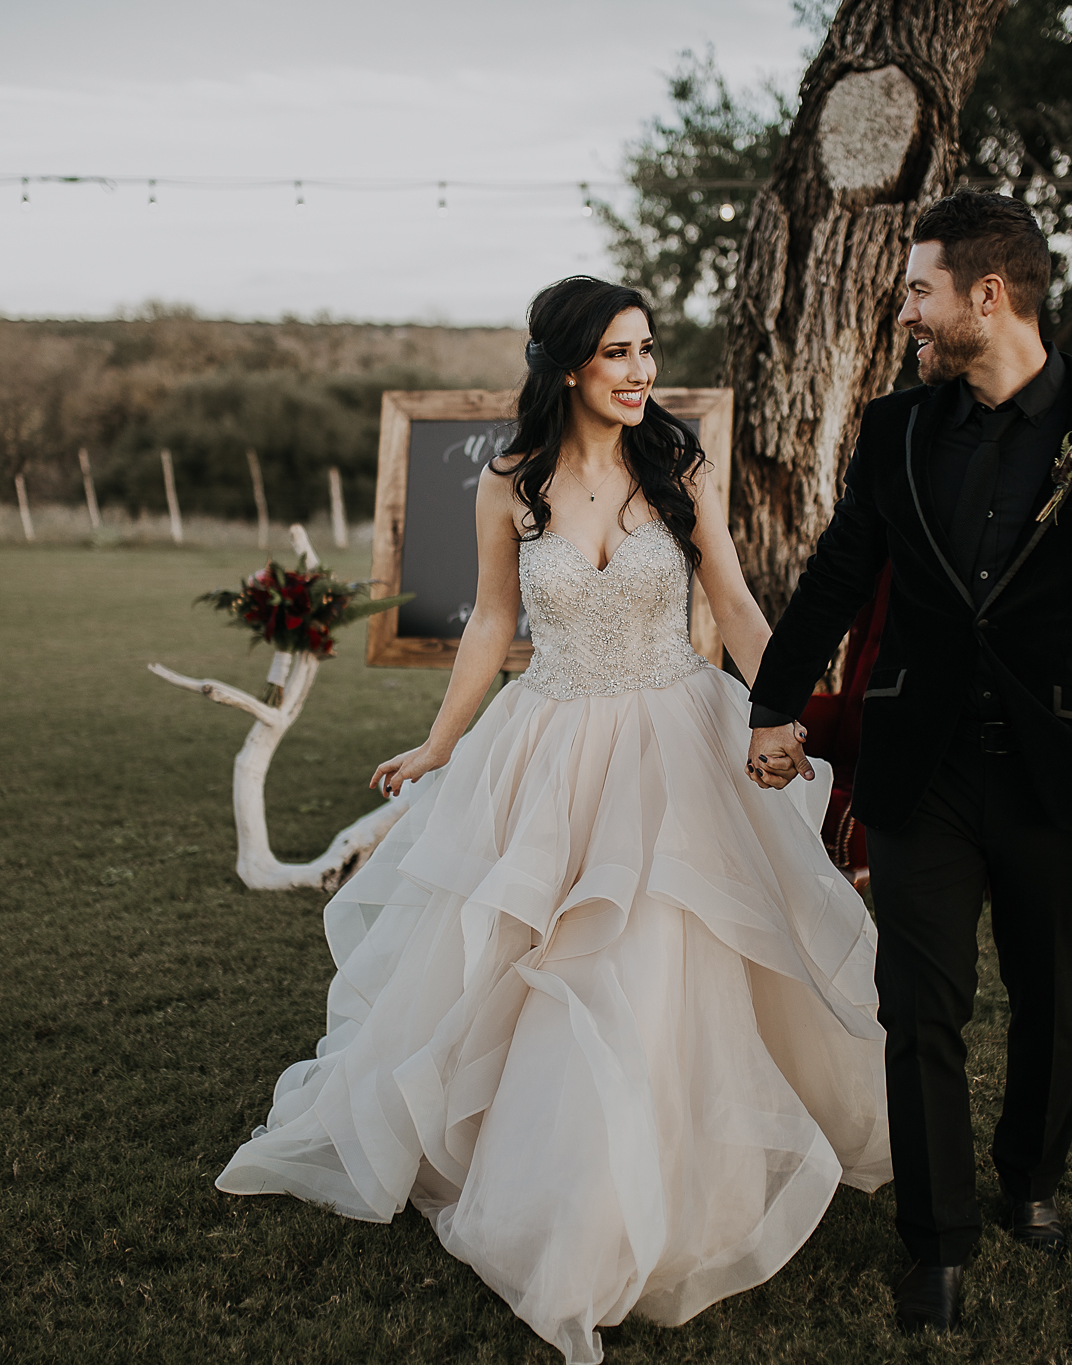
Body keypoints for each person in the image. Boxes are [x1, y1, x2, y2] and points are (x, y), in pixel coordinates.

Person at [215, 276, 891, 1365]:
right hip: (551, 739)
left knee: (662, 952)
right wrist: (441, 743)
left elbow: (729, 598)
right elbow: (492, 620)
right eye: (618, 354)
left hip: (675, 736)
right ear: (568, 364)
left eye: (647, 352)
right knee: (542, 954)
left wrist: (780, 715)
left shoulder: (678, 468)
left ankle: (664, 1178)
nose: (639, 374)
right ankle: (555, 1182)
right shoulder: (509, 487)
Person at [743, 190, 1072, 1333]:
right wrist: (771, 705)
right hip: (921, 770)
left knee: (1052, 999)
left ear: (983, 297)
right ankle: (936, 1241)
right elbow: (836, 577)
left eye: (917, 290)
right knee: (919, 1005)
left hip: (1066, 774)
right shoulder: (896, 429)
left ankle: (1032, 1179)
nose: (904, 310)